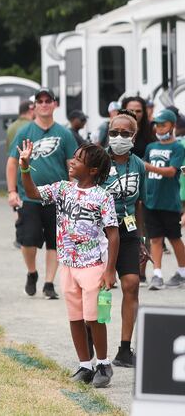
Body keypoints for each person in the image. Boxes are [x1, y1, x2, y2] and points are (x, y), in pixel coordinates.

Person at [18, 140, 119, 388]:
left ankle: (104, 364)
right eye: (73, 157)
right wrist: (25, 168)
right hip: (68, 266)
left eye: (78, 159)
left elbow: (113, 234)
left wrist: (109, 270)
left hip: (93, 266)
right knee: (75, 317)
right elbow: (33, 193)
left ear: (93, 170)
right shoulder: (63, 189)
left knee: (94, 318)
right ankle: (85, 365)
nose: (72, 162)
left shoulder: (102, 196)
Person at [7, 88, 79, 299]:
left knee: (54, 241)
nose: (45, 104)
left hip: (57, 196)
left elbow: (72, 164)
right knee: (28, 241)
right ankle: (32, 272)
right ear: (35, 106)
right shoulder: (25, 132)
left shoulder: (64, 134)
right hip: (30, 195)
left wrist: (74, 189)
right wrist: (12, 191)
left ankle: (49, 283)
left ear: (55, 105)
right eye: (40, 101)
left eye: (49, 100)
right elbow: (12, 162)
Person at [101, 110, 145, 367]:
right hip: (99, 233)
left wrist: (142, 239)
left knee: (131, 284)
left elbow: (140, 203)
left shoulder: (137, 164)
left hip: (127, 232)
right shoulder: (98, 161)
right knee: (98, 290)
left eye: (124, 133)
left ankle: (125, 349)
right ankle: (94, 350)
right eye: (114, 133)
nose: (118, 137)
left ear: (134, 136)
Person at [142, 108, 185, 290]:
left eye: (163, 125)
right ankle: (157, 274)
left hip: (169, 201)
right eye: (157, 125)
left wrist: (149, 167)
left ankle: (182, 272)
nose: (159, 128)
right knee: (155, 239)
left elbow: (171, 172)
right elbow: (144, 171)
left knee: (174, 238)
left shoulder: (178, 147)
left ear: (172, 126)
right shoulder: (151, 147)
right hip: (151, 200)